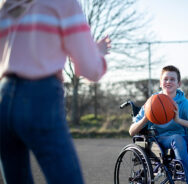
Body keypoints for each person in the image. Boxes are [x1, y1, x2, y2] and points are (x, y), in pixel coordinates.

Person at [0, 0, 110, 183]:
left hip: (3, 97)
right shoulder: (63, 3)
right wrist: (98, 53)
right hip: (40, 96)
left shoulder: (5, 6)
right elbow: (89, 68)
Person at [129, 65, 188, 184]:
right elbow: (131, 131)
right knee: (177, 139)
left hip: (182, 140)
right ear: (160, 83)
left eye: (172, 79)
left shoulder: (184, 104)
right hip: (159, 141)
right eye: (165, 79)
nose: (168, 82)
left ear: (179, 84)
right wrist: (146, 118)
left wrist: (179, 120)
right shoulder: (152, 103)